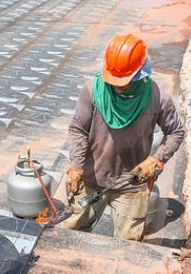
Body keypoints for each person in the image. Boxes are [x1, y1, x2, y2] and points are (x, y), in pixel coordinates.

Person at [63, 34, 184, 241]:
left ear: (140, 72)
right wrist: (76, 165)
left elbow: (176, 132)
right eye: (114, 79)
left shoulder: (157, 98)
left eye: (124, 80)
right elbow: (78, 129)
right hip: (91, 178)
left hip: (132, 184)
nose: (118, 85)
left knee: (127, 245)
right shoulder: (92, 90)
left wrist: (157, 160)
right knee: (71, 235)